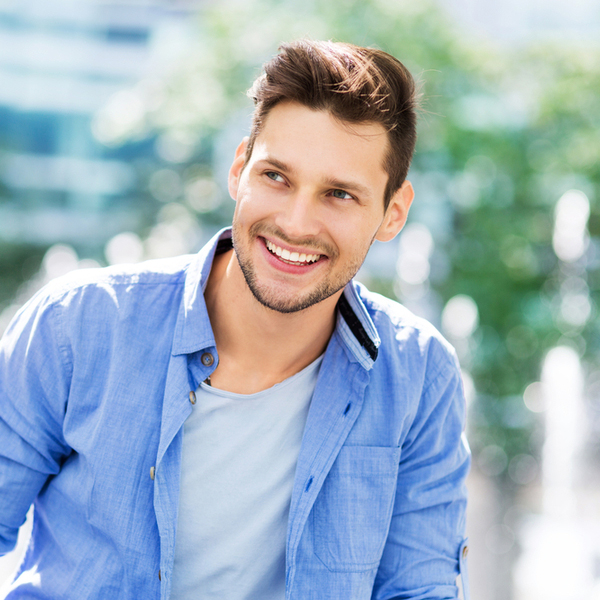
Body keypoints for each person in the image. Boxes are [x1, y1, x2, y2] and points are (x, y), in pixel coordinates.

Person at [0, 40, 470, 600]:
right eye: (276, 177)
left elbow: (419, 589)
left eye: (339, 194)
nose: (296, 223)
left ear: (393, 213)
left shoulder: (419, 375)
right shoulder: (76, 326)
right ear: (239, 168)